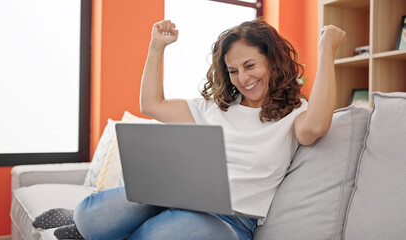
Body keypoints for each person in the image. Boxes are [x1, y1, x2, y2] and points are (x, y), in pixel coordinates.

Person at [32, 18, 346, 240]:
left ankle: (94, 235)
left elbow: (316, 126)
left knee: (167, 233)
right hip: (175, 198)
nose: (243, 78)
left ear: (272, 60)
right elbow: (152, 104)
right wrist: (157, 48)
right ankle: (82, 224)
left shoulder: (294, 114)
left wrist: (326, 49)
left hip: (232, 223)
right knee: (90, 215)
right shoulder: (213, 107)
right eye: (233, 70)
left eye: (250, 65)